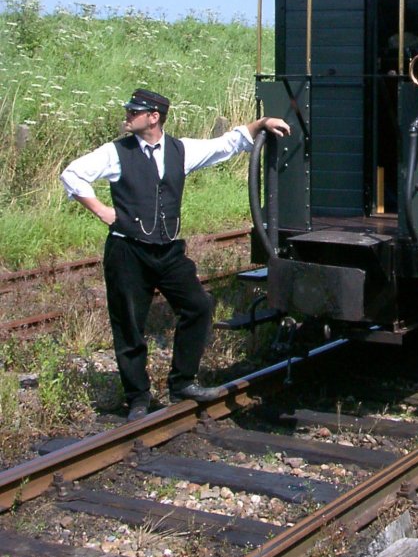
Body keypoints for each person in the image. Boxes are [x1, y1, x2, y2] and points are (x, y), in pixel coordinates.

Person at [60, 88, 290, 421]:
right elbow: (72, 174)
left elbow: (227, 144)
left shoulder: (180, 150)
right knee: (129, 324)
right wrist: (102, 211)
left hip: (168, 250)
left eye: (133, 111)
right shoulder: (115, 152)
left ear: (154, 117)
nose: (127, 115)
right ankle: (138, 397)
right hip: (128, 250)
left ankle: (182, 382)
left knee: (197, 305)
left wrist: (263, 123)